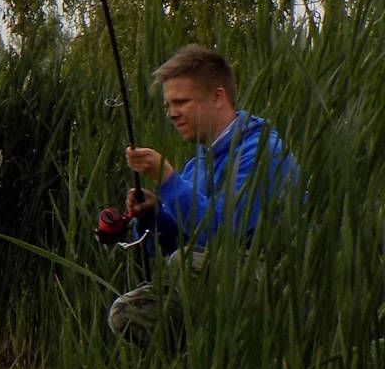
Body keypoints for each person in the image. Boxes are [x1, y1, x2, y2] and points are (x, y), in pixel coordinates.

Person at [107, 45, 299, 339]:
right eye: (168, 106)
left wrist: (168, 179)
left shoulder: (261, 152)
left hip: (277, 285)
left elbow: (225, 232)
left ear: (218, 97)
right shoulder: (197, 163)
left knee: (185, 263)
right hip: (215, 284)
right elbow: (174, 245)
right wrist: (153, 215)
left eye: (181, 102)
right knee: (126, 313)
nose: (172, 114)